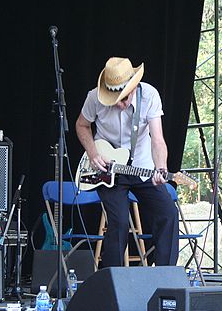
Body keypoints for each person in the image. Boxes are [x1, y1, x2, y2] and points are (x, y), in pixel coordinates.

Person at [76, 56, 179, 267]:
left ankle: (165, 277)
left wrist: (161, 168)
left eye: (125, 98)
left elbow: (157, 139)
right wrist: (93, 153)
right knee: (119, 223)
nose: (121, 105)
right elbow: (81, 125)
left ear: (133, 88)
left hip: (142, 166)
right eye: (116, 100)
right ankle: (110, 281)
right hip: (108, 169)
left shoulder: (149, 95)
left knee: (168, 213)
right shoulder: (94, 97)